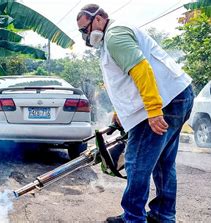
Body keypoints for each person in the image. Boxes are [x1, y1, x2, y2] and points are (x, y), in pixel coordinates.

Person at [76, 4, 194, 223]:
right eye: (82, 32)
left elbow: (141, 69)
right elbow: (126, 81)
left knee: (136, 162)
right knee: (163, 163)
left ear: (100, 19)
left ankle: (133, 218)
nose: (85, 35)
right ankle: (163, 215)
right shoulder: (115, 34)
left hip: (164, 102)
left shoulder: (114, 36)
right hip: (178, 95)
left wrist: (154, 110)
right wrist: (119, 113)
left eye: (86, 29)